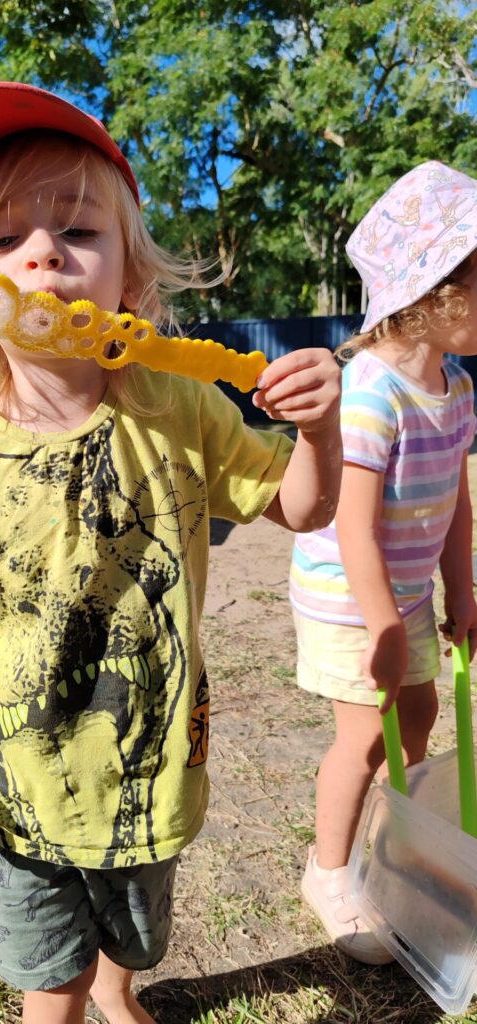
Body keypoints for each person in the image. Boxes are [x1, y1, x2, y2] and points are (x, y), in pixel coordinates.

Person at [0, 81, 342, 1024]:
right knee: (54, 983)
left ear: (131, 278)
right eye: (2, 240)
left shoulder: (182, 407)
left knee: (129, 941)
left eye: (77, 230)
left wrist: (319, 433)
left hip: (148, 767)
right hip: (5, 779)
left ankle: (122, 991)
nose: (41, 251)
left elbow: (303, 507)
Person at [290, 159, 477, 965]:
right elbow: (353, 525)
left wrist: (463, 592)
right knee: (364, 737)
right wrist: (380, 625)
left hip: (402, 594)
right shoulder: (371, 391)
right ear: (433, 291)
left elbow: (457, 504)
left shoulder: (458, 387)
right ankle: (329, 872)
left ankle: (393, 845)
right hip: (348, 598)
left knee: (420, 718)